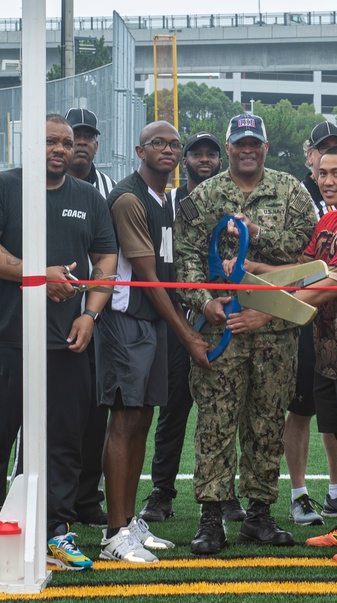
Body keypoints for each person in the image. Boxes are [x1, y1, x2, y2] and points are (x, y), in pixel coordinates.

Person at [0, 113, 117, 571]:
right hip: (5, 341)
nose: (60, 149)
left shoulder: (88, 197)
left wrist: (91, 313)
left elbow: (106, 256)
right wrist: (36, 276)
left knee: (65, 441)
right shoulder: (0, 187)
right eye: (50, 141)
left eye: (66, 143)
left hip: (66, 343)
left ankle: (57, 532)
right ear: (29, 145)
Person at [227, 143, 337, 561]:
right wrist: (260, 272)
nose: (328, 181)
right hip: (327, 348)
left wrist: (265, 312)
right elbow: (306, 268)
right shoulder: (330, 220)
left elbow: (330, 284)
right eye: (322, 173)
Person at [174, 113, 316, 555]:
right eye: (240, 143)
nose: (247, 149)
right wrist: (204, 302)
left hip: (274, 330)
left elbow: (304, 248)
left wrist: (256, 233)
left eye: (255, 142)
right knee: (216, 421)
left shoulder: (291, 190)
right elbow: (187, 257)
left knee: (268, 420)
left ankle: (259, 514)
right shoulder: (206, 194)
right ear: (230, 148)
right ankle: (212, 518)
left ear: (266, 148)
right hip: (223, 328)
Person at [96, 121, 212, 563]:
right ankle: (113, 533)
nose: (167, 149)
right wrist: (188, 333)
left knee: (141, 420)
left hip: (153, 323)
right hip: (129, 319)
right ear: (139, 149)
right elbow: (146, 277)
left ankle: (127, 522)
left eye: (173, 144)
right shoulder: (129, 198)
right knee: (125, 422)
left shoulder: (166, 198)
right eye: (158, 143)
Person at [140, 131, 246, 524]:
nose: (204, 159)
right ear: (184, 160)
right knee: (172, 411)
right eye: (196, 153)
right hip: (177, 318)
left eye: (211, 154)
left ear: (221, 161)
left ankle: (227, 494)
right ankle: (161, 491)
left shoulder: (229, 204)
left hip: (220, 319)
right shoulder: (166, 203)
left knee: (224, 411)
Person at [286, 123, 337, 527]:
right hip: (306, 308)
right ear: (309, 156)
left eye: (335, 151)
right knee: (302, 406)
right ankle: (298, 493)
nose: (326, 158)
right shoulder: (294, 195)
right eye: (321, 151)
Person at [64, 107, 115, 528]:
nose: (81, 142)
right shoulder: (40, 185)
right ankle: (41, 492)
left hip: (97, 316)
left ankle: (86, 496)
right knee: (49, 411)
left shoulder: (110, 189)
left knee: (96, 412)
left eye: (87, 136)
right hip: (50, 312)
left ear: (96, 143)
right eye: (73, 135)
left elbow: (109, 255)